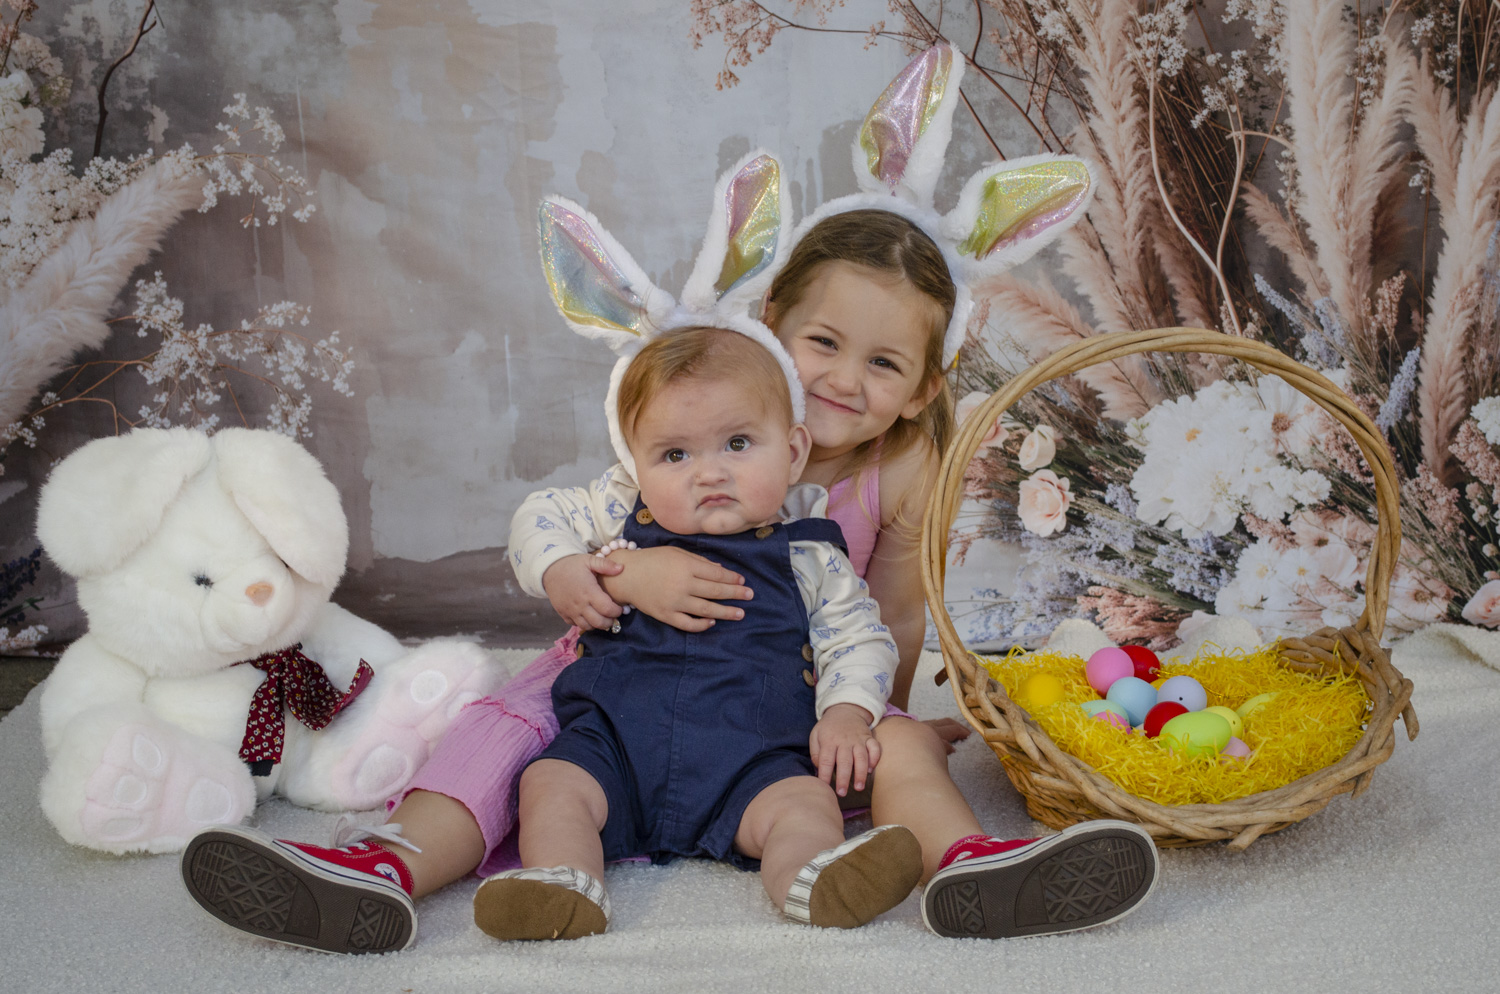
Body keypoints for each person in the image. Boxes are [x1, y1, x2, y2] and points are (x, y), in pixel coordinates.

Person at [179, 207, 1158, 954]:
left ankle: (965, 867)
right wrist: (604, 568)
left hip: (783, 701)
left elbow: (881, 617)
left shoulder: (851, 500)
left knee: (898, 742)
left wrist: (867, 717)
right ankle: (387, 863)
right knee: (509, 735)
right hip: (617, 677)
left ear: (924, 385)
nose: (844, 378)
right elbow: (552, 516)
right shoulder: (694, 404)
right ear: (774, 321)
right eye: (822, 343)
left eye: (883, 361)